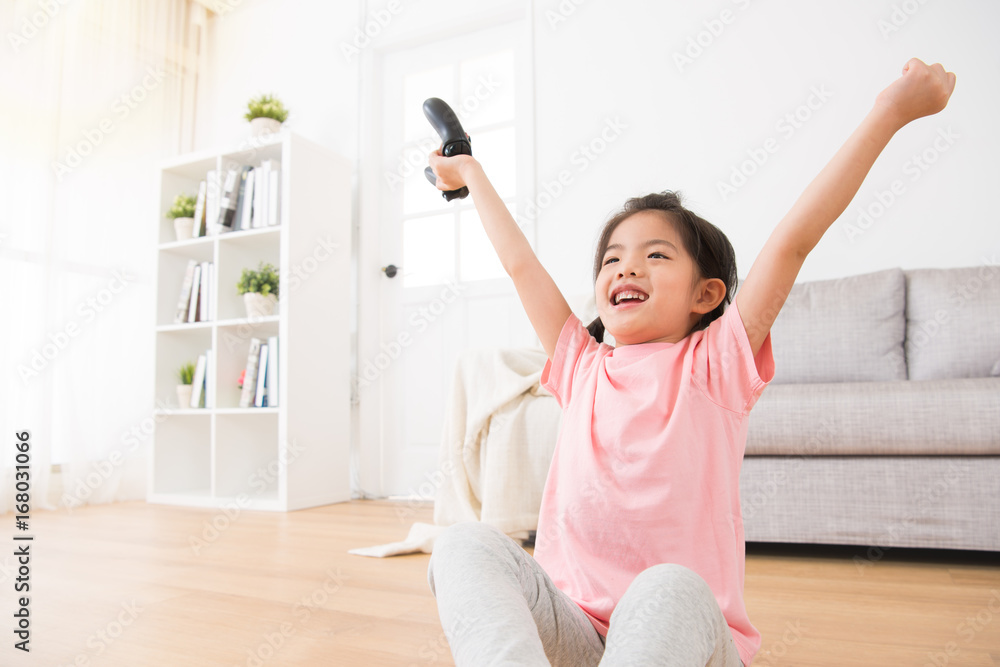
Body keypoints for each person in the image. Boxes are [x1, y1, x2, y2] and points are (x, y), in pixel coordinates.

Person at [423, 58, 956, 667]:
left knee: (667, 585)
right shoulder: (581, 365)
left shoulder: (716, 364)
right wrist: (469, 170)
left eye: (655, 255)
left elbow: (793, 240)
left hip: (681, 640)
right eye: (612, 259)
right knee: (465, 546)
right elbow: (520, 264)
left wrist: (890, 113)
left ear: (706, 295)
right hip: (575, 631)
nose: (626, 268)